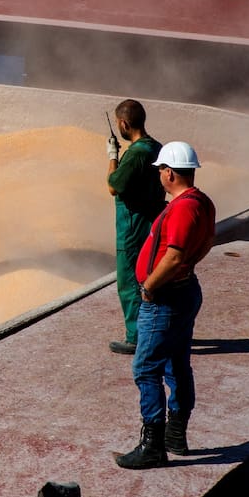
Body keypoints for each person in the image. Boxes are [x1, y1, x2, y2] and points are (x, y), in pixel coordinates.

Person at [114, 141, 216, 469]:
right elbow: (204, 245)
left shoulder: (184, 207)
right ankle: (175, 435)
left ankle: (153, 444)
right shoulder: (201, 202)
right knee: (176, 364)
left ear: (170, 173)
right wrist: (186, 267)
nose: (159, 174)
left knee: (146, 368)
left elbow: (173, 256)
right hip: (182, 293)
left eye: (160, 170)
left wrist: (149, 287)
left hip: (165, 299)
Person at [105, 99, 166, 355]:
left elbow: (112, 185)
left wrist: (112, 155)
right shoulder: (157, 148)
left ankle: (136, 337)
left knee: (130, 282)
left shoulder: (136, 154)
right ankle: (156, 330)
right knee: (151, 280)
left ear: (123, 123)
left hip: (132, 229)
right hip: (153, 224)